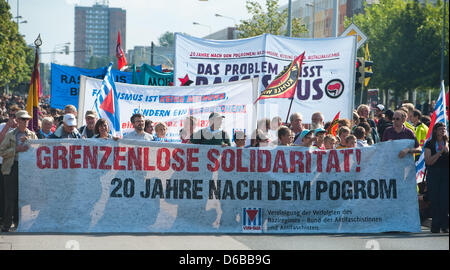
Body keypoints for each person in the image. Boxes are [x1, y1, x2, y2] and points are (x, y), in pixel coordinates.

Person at [0, 110, 37, 232]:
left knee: (24, 195)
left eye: (27, 120)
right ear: (18, 120)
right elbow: (1, 151)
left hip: (26, 168)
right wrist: (16, 149)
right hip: (12, 167)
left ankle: (20, 222)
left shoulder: (32, 135)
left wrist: (30, 145)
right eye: (23, 119)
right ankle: (6, 224)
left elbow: (38, 151)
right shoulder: (10, 135)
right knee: (10, 196)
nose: (26, 122)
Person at [424, 122, 449, 233]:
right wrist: (440, 152)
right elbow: (429, 161)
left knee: (445, 200)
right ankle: (435, 225)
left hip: (446, 174)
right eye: (440, 129)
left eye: (444, 128)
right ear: (435, 131)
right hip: (433, 174)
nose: (443, 130)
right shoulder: (430, 144)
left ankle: (445, 225)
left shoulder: (448, 143)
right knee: (435, 200)